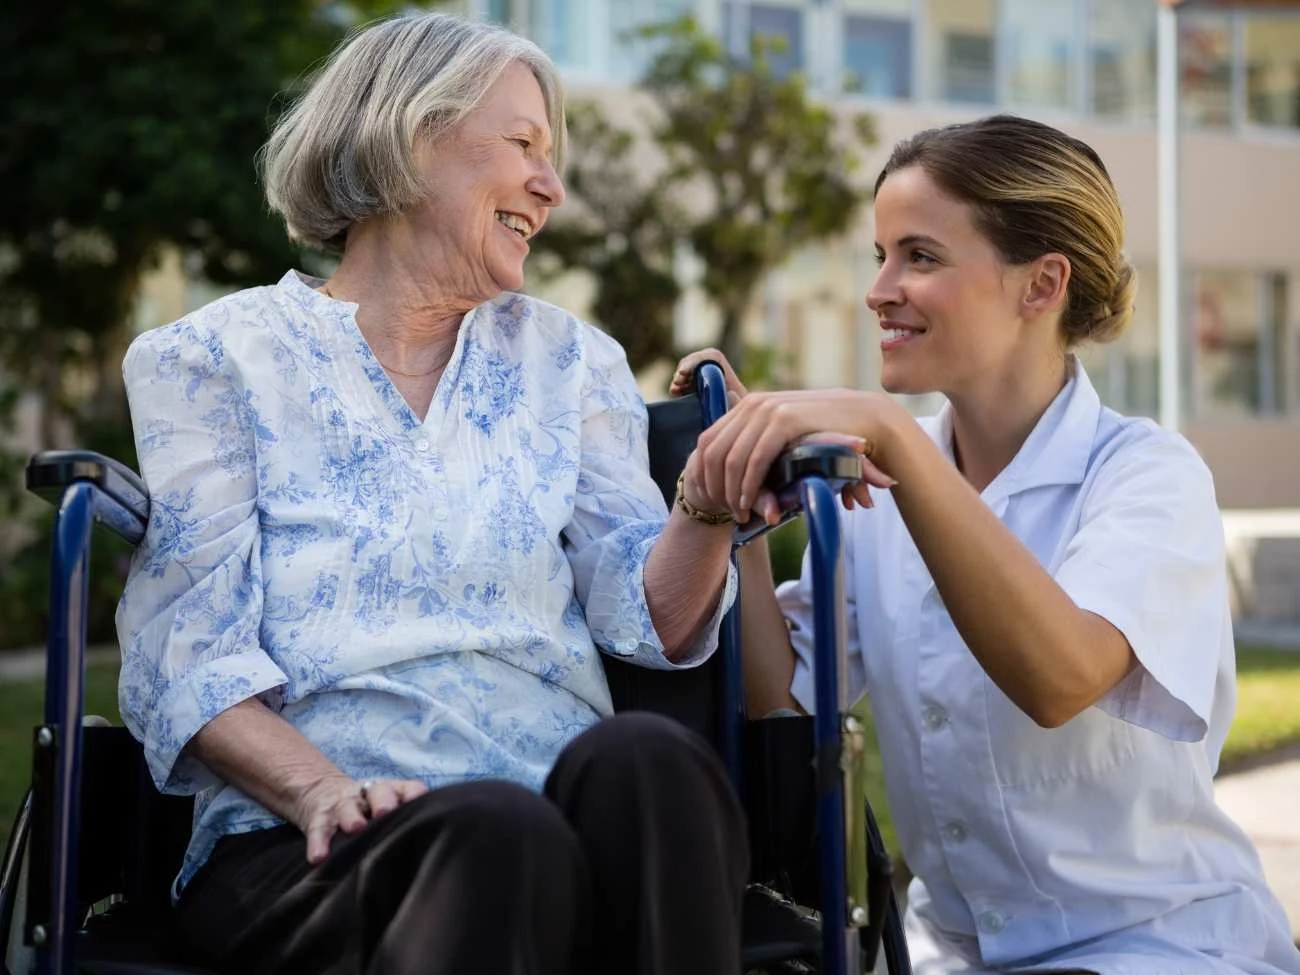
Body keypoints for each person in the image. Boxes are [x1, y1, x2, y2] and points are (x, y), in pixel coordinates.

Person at [115, 12, 750, 975]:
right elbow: (187, 656)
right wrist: (321, 790)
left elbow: (646, 621)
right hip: (313, 839)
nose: (552, 184)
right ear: (410, 137)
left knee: (649, 761)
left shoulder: (571, 360)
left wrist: (705, 505)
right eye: (523, 143)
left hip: (557, 807)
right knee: (496, 834)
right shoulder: (212, 360)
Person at [673, 115, 1300, 975]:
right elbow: (784, 700)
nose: (880, 289)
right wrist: (739, 509)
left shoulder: (1148, 476)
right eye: (881, 255)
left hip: (1154, 947)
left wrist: (892, 435)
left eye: (920, 256)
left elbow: (1061, 676)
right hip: (949, 955)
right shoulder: (882, 483)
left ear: (1041, 285)